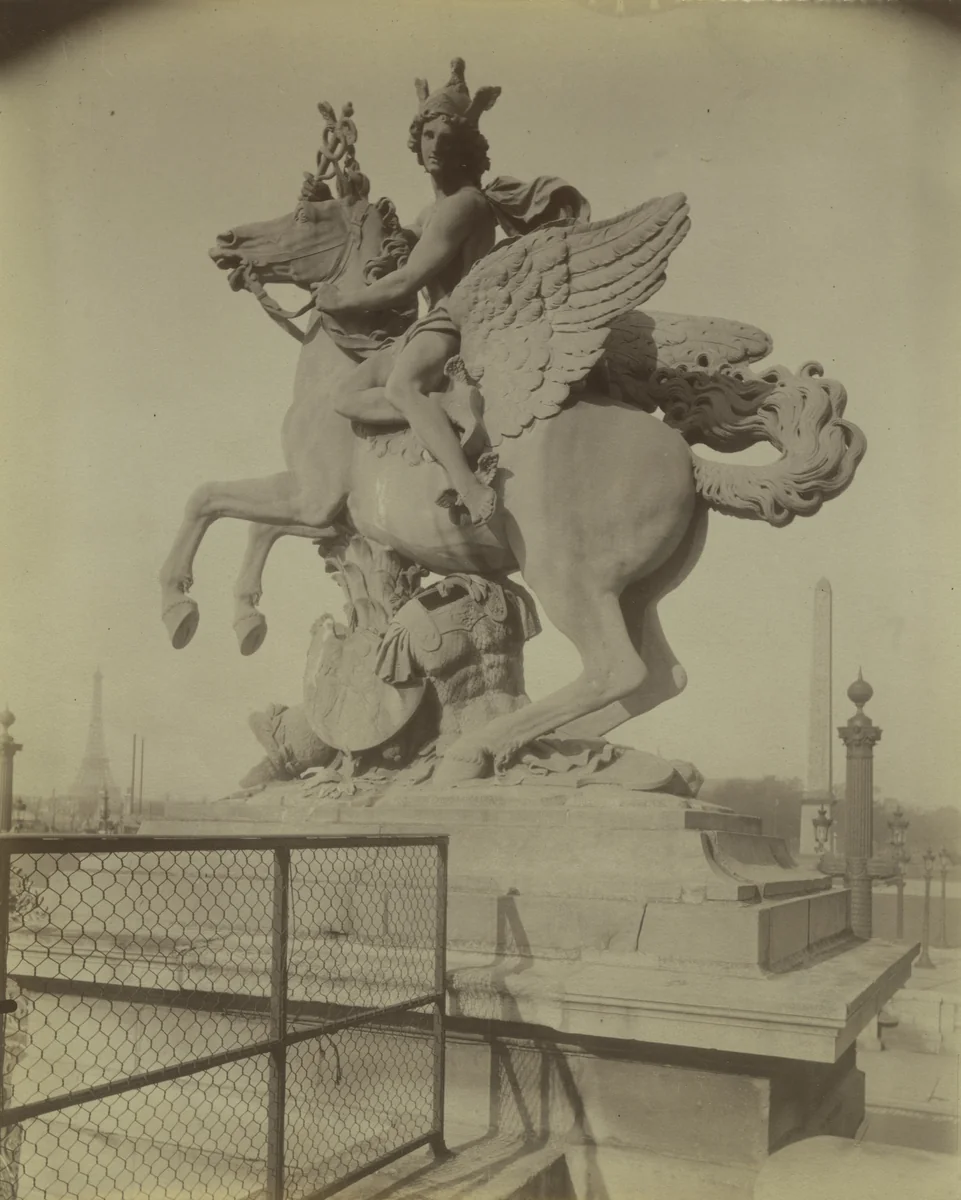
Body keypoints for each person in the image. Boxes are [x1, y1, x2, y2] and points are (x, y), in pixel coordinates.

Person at [310, 58, 590, 527]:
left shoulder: (464, 205)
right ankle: (445, 409)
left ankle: (467, 484)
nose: (436, 146)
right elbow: (397, 247)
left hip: (457, 321)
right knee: (344, 394)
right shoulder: (433, 210)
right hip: (427, 327)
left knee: (401, 386)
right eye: (427, 136)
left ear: (466, 148)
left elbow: (405, 283)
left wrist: (343, 300)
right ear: (416, 143)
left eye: (447, 138)